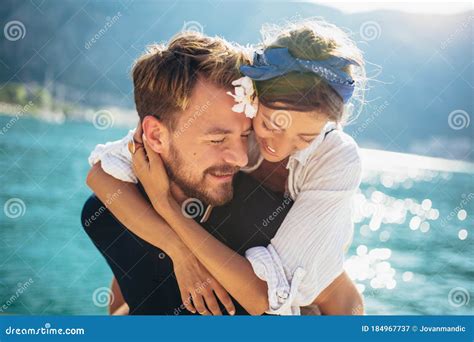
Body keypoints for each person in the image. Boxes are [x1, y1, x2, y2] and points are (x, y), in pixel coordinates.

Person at [83, 19, 365, 315]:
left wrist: (163, 203)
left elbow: (312, 294)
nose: (278, 148)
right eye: (270, 125)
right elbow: (103, 173)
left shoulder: (334, 160)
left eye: (306, 137)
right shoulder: (236, 103)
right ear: (256, 95)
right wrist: (177, 251)